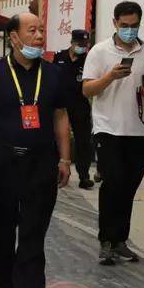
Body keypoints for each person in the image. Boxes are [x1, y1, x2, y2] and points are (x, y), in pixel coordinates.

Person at [0, 13, 71, 288]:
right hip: (1, 161)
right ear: (13, 37)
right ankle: (4, 282)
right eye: (32, 30)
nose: (39, 36)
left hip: (41, 162)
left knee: (33, 231)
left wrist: (64, 158)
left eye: (41, 29)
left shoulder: (53, 73)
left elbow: (61, 116)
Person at [82, 1, 144, 266]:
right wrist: (110, 77)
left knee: (128, 188)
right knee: (113, 183)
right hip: (108, 129)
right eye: (124, 25)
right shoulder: (99, 52)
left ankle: (120, 240)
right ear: (114, 23)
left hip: (140, 131)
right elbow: (87, 90)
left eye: (134, 26)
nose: (129, 30)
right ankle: (106, 240)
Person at [53, 29, 95, 189]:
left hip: (80, 104)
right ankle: (57, 172)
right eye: (79, 44)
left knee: (83, 141)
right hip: (59, 105)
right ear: (72, 42)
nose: (82, 47)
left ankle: (84, 176)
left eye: (85, 45)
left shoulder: (89, 59)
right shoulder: (60, 57)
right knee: (56, 138)